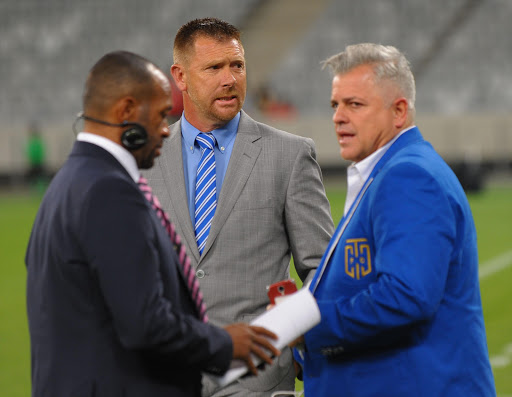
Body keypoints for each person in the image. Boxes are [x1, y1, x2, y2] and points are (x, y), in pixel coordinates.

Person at [25, 50, 281, 397]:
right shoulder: (109, 190)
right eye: (161, 116)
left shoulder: (68, 182)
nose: (165, 130)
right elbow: (145, 324)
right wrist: (225, 342)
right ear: (126, 111)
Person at [144, 18, 334, 396]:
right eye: (214, 68)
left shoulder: (290, 155)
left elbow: (323, 272)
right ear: (180, 77)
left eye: (237, 65)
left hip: (258, 380)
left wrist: (294, 335)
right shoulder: (144, 160)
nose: (230, 79)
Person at [295, 43, 496, 396]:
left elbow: (405, 297)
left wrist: (307, 327)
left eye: (354, 104)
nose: (338, 116)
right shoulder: (393, 171)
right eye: (335, 105)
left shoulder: (408, 177)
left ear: (398, 111)